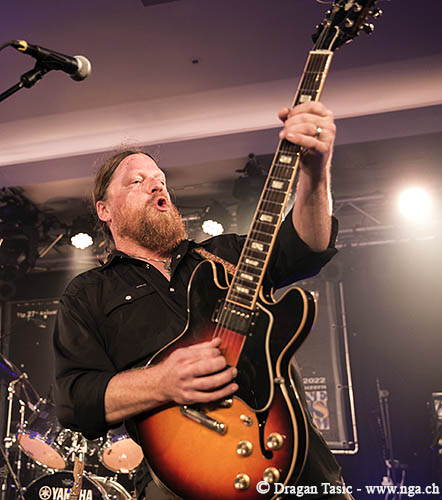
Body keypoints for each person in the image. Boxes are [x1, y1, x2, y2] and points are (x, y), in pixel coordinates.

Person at [53, 101, 353, 499]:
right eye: (137, 181)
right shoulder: (88, 293)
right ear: (104, 210)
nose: (157, 185)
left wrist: (315, 171)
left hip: (299, 469)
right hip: (182, 481)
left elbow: (305, 247)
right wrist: (162, 382)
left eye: (160, 179)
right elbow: (74, 401)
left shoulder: (226, 254)